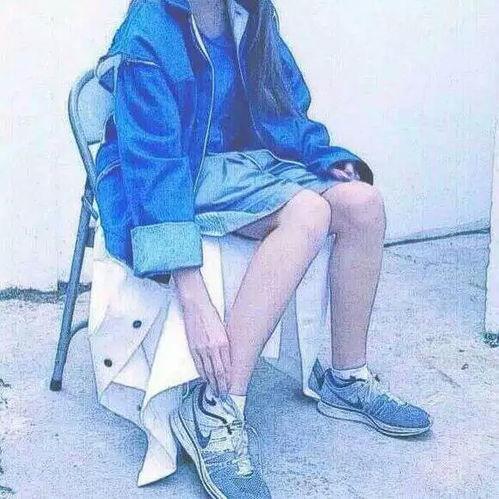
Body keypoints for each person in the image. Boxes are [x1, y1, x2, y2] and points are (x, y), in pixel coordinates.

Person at [94, 0, 432, 497]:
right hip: (175, 176)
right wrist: (192, 292)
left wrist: (325, 158)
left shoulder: (250, 11)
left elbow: (284, 105)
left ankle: (346, 377)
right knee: (309, 212)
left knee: (364, 204)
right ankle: (216, 406)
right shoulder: (148, 32)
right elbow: (154, 167)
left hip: (244, 166)